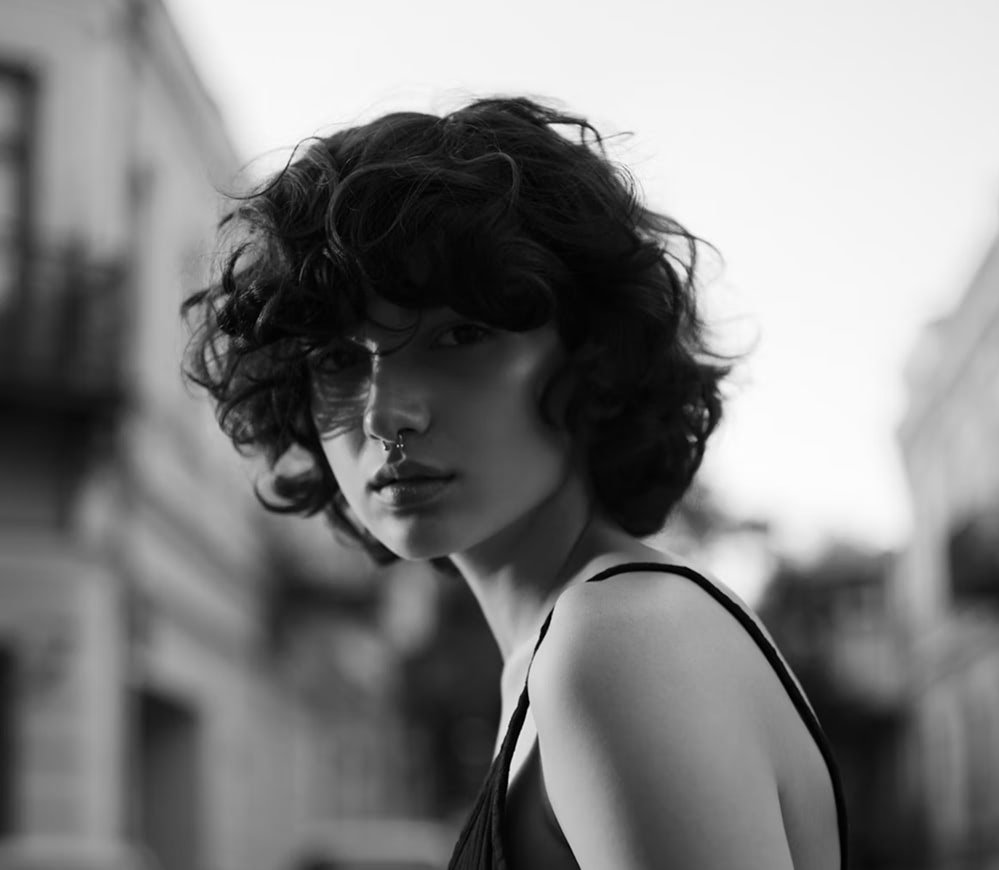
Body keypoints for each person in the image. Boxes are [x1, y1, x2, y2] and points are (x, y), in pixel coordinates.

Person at [181, 96, 847, 870]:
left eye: (460, 334)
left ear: (592, 355)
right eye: (338, 360)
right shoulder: (572, 647)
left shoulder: (620, 641)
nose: (386, 415)